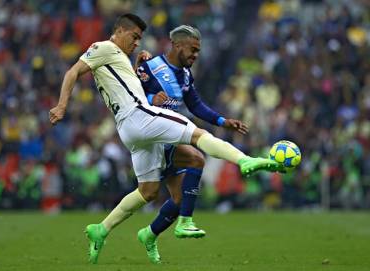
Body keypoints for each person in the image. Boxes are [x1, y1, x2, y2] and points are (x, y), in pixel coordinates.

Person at [49, 13, 282, 265]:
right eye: (134, 37)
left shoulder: (123, 60)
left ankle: (102, 229)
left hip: (130, 131)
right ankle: (244, 161)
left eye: (140, 38)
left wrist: (137, 65)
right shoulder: (104, 48)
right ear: (119, 31)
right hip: (140, 116)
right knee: (198, 137)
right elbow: (73, 72)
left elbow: (132, 84)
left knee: (148, 191)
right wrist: (61, 106)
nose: (137, 42)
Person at [135, 25, 251, 263]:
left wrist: (222, 121)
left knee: (178, 199)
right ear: (177, 45)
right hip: (151, 138)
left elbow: (195, 105)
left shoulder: (186, 75)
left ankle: (149, 234)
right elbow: (128, 96)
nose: (196, 55)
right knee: (197, 158)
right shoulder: (150, 67)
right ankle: (186, 221)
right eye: (193, 50)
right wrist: (148, 98)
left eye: (198, 51)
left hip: (169, 135)